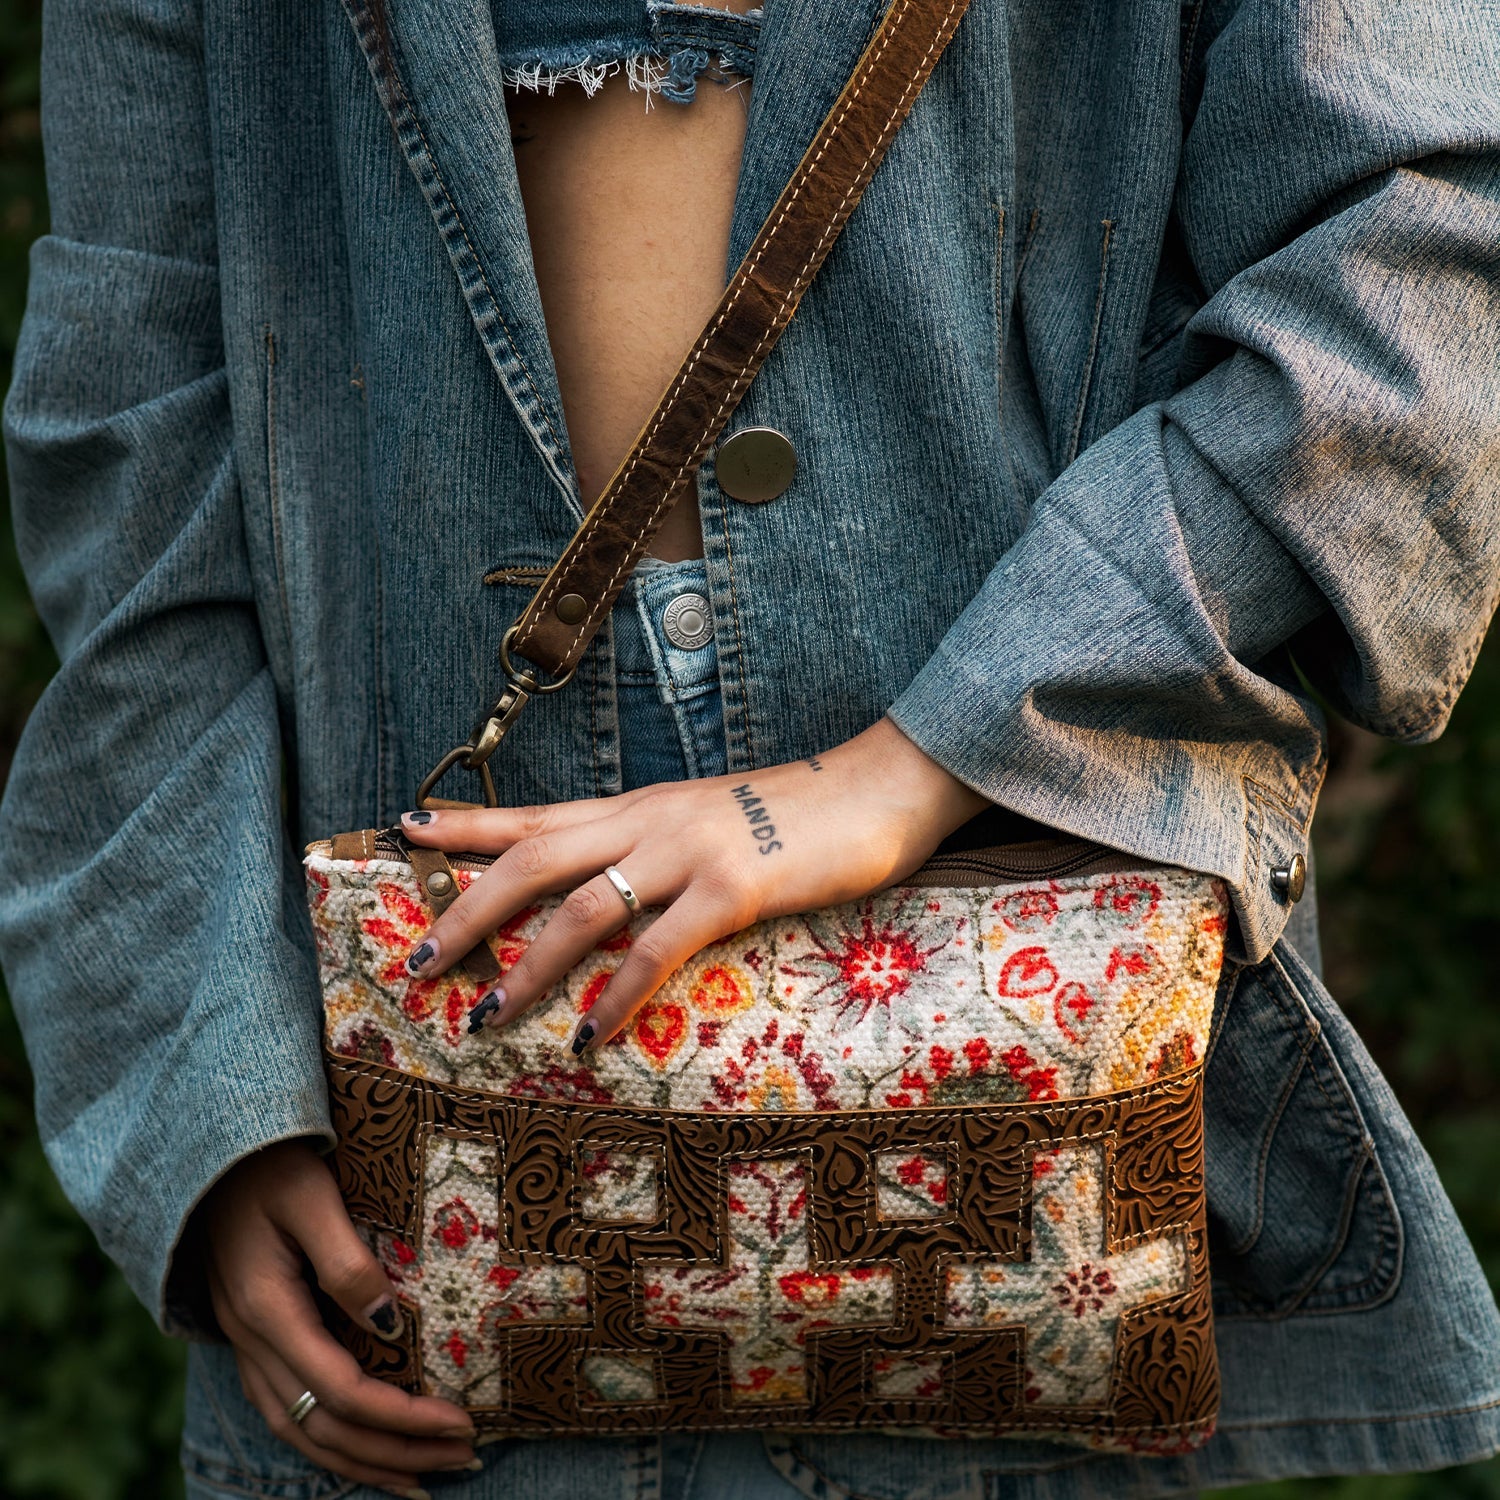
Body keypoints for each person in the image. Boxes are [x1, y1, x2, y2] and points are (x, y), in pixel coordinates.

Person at [3, 0, 1500, 1495]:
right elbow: (132, 467)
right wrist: (218, 1103)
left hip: (1016, 1054)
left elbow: (1423, 271)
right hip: (394, 1206)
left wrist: (911, 769)